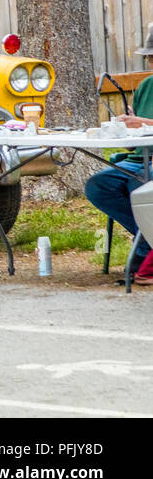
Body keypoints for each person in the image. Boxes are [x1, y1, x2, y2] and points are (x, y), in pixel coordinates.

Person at [85, 21, 153, 285]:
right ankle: (147, 238)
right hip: (138, 159)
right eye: (149, 58)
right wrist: (126, 131)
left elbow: (146, 125)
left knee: (140, 185)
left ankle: (145, 250)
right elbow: (135, 140)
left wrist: (144, 125)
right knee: (98, 185)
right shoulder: (146, 86)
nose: (150, 62)